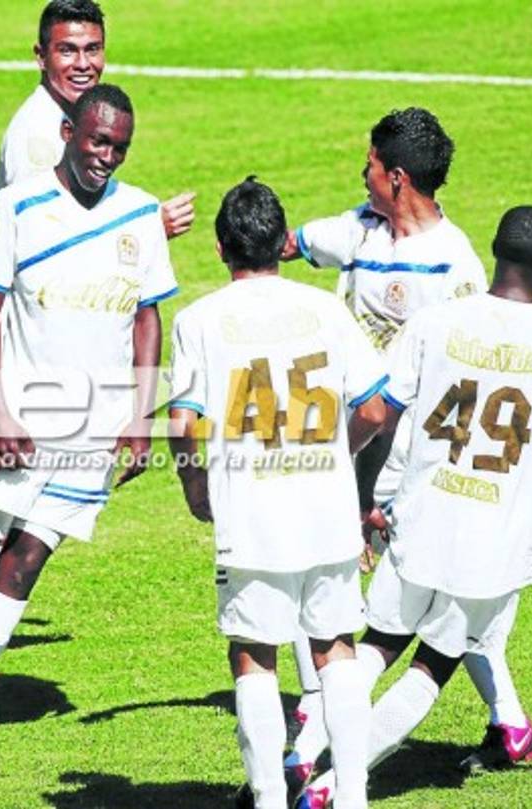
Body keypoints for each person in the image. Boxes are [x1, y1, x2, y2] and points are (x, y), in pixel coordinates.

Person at [294, 206, 532, 809]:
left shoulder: (434, 324)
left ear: (495, 252)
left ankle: (299, 757)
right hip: (491, 541)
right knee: (432, 666)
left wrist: (361, 503)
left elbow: (383, 422)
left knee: (374, 647)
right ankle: (329, 791)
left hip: (419, 520)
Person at [0, 0, 197, 722]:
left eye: (92, 48)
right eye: (67, 49)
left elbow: (146, 312)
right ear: (41, 56)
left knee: (27, 555)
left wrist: (139, 412)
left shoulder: (125, 197)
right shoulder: (32, 156)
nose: (82, 61)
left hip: (89, 414)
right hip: (20, 382)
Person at [281, 107, 527, 783]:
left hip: (409, 460)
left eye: (368, 164)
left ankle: (319, 719)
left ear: (396, 177)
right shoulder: (359, 228)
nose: (359, 173)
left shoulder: (457, 267)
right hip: (350, 439)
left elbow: (467, 377)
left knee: (413, 601)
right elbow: (289, 242)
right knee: (407, 595)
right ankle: (508, 720)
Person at [167, 177, 387, 809]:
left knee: (254, 656)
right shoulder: (326, 310)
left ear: (220, 248)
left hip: (251, 517)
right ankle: (353, 797)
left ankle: (268, 798)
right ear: (279, 241)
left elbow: (182, 425)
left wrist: (194, 484)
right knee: (336, 650)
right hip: (327, 512)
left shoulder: (198, 320)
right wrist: (337, 455)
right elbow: (375, 409)